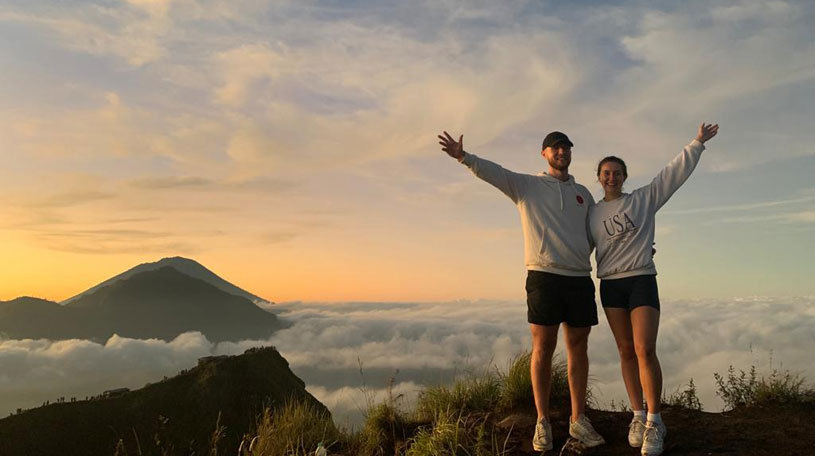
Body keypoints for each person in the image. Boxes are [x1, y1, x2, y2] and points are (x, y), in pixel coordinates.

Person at [438, 130, 606, 451]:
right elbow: (495, 173)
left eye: (566, 147)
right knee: (542, 348)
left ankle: (578, 419)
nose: (561, 151)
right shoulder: (527, 186)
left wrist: (634, 250)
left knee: (578, 349)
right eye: (555, 147)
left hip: (579, 278)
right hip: (543, 277)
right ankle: (542, 422)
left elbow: (599, 234)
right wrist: (464, 157)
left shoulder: (583, 193)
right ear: (543, 153)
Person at [589, 123, 719, 456]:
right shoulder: (592, 214)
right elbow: (577, 245)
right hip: (610, 285)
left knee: (645, 348)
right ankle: (637, 414)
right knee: (625, 351)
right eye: (606, 172)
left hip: (642, 280)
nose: (611, 177)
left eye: (617, 172)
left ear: (625, 176)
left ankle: (655, 422)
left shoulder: (644, 199)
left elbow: (672, 175)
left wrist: (697, 143)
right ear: (599, 177)